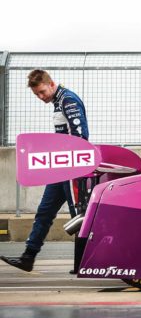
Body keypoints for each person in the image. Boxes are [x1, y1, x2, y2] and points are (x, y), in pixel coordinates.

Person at [1, 70, 88, 272]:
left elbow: (81, 137)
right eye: (36, 95)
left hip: (72, 169)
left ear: (51, 84)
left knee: (79, 215)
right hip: (60, 168)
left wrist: (70, 163)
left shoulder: (68, 100)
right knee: (45, 211)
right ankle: (28, 258)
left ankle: (85, 263)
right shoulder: (58, 102)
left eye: (42, 92)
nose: (41, 97)